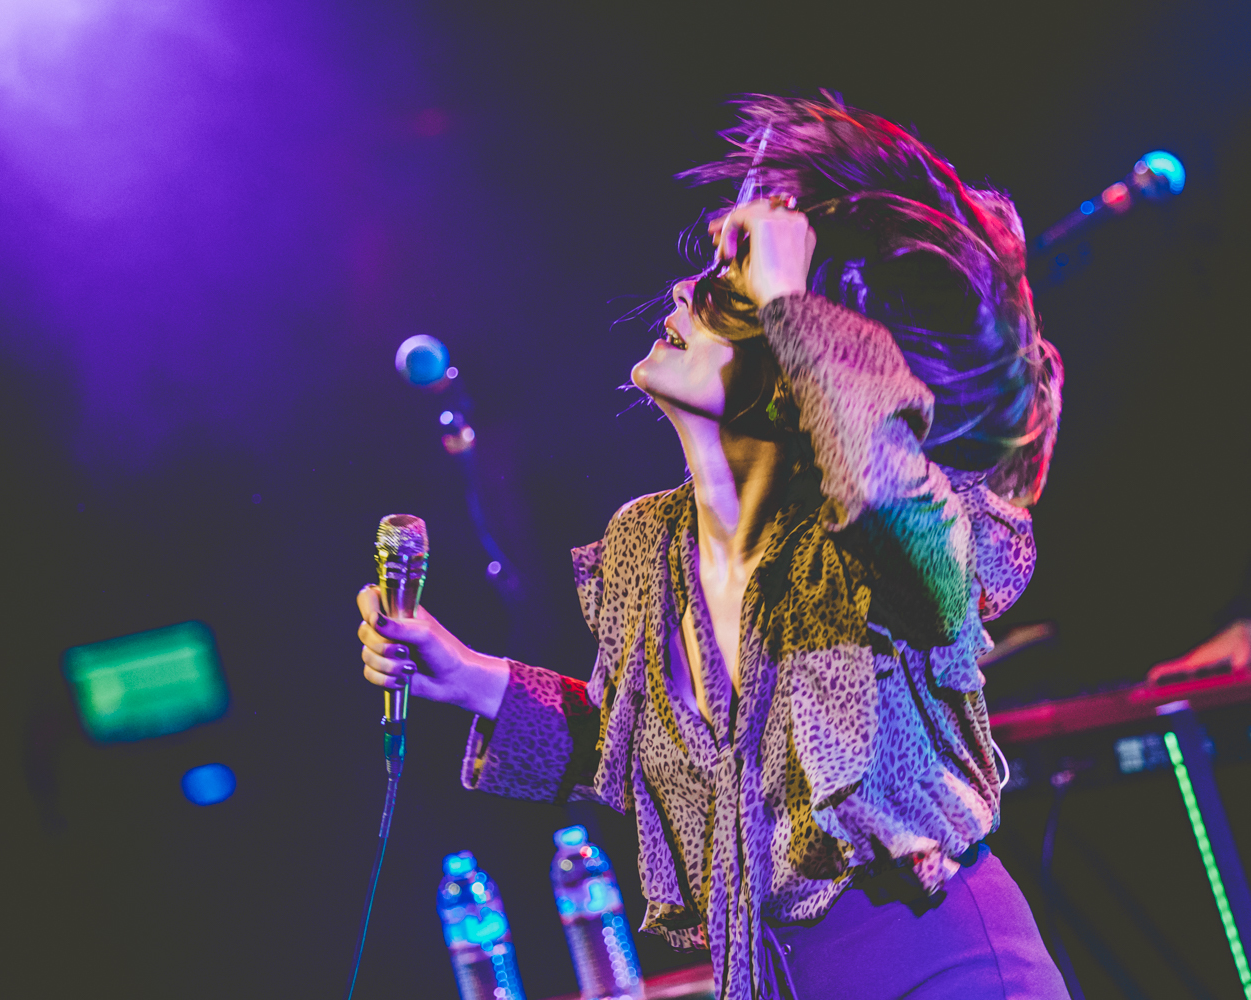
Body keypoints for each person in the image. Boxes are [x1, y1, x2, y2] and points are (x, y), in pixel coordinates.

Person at [356, 95, 1067, 999]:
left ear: (789, 371)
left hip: (937, 964)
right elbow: (641, 754)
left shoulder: (919, 522)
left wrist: (788, 297)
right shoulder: (644, 548)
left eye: (727, 304)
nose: (683, 294)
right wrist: (466, 675)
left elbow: (904, 529)